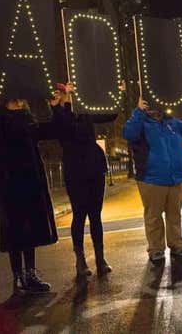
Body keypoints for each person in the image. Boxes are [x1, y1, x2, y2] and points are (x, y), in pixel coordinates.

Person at [0, 85, 63, 295]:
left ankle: (30, 274)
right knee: (15, 230)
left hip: (31, 179)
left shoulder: (27, 117)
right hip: (11, 180)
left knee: (31, 228)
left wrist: (55, 107)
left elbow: (48, 131)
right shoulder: (0, 117)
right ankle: (18, 276)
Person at [123, 96, 182, 264]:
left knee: (174, 214)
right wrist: (138, 112)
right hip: (152, 178)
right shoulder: (142, 122)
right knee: (154, 216)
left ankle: (177, 244)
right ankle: (156, 249)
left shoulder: (172, 122)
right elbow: (128, 133)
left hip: (175, 177)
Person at [50, 83, 115, 277]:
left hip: (95, 167)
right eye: (63, 92)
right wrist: (62, 105)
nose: (68, 95)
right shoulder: (59, 114)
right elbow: (67, 128)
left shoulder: (84, 111)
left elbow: (108, 115)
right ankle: (80, 261)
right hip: (76, 170)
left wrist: (118, 94)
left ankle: (100, 259)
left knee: (96, 215)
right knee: (79, 215)